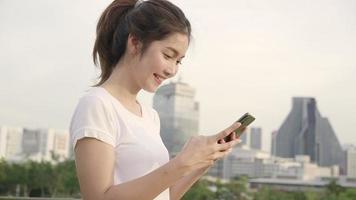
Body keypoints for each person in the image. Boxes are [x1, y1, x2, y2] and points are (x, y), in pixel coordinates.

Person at [69, 0, 242, 199]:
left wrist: (202, 161)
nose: (172, 70)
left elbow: (164, 195)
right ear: (135, 43)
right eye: (168, 55)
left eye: (178, 61)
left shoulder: (150, 117)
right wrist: (182, 162)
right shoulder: (97, 105)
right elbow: (98, 197)